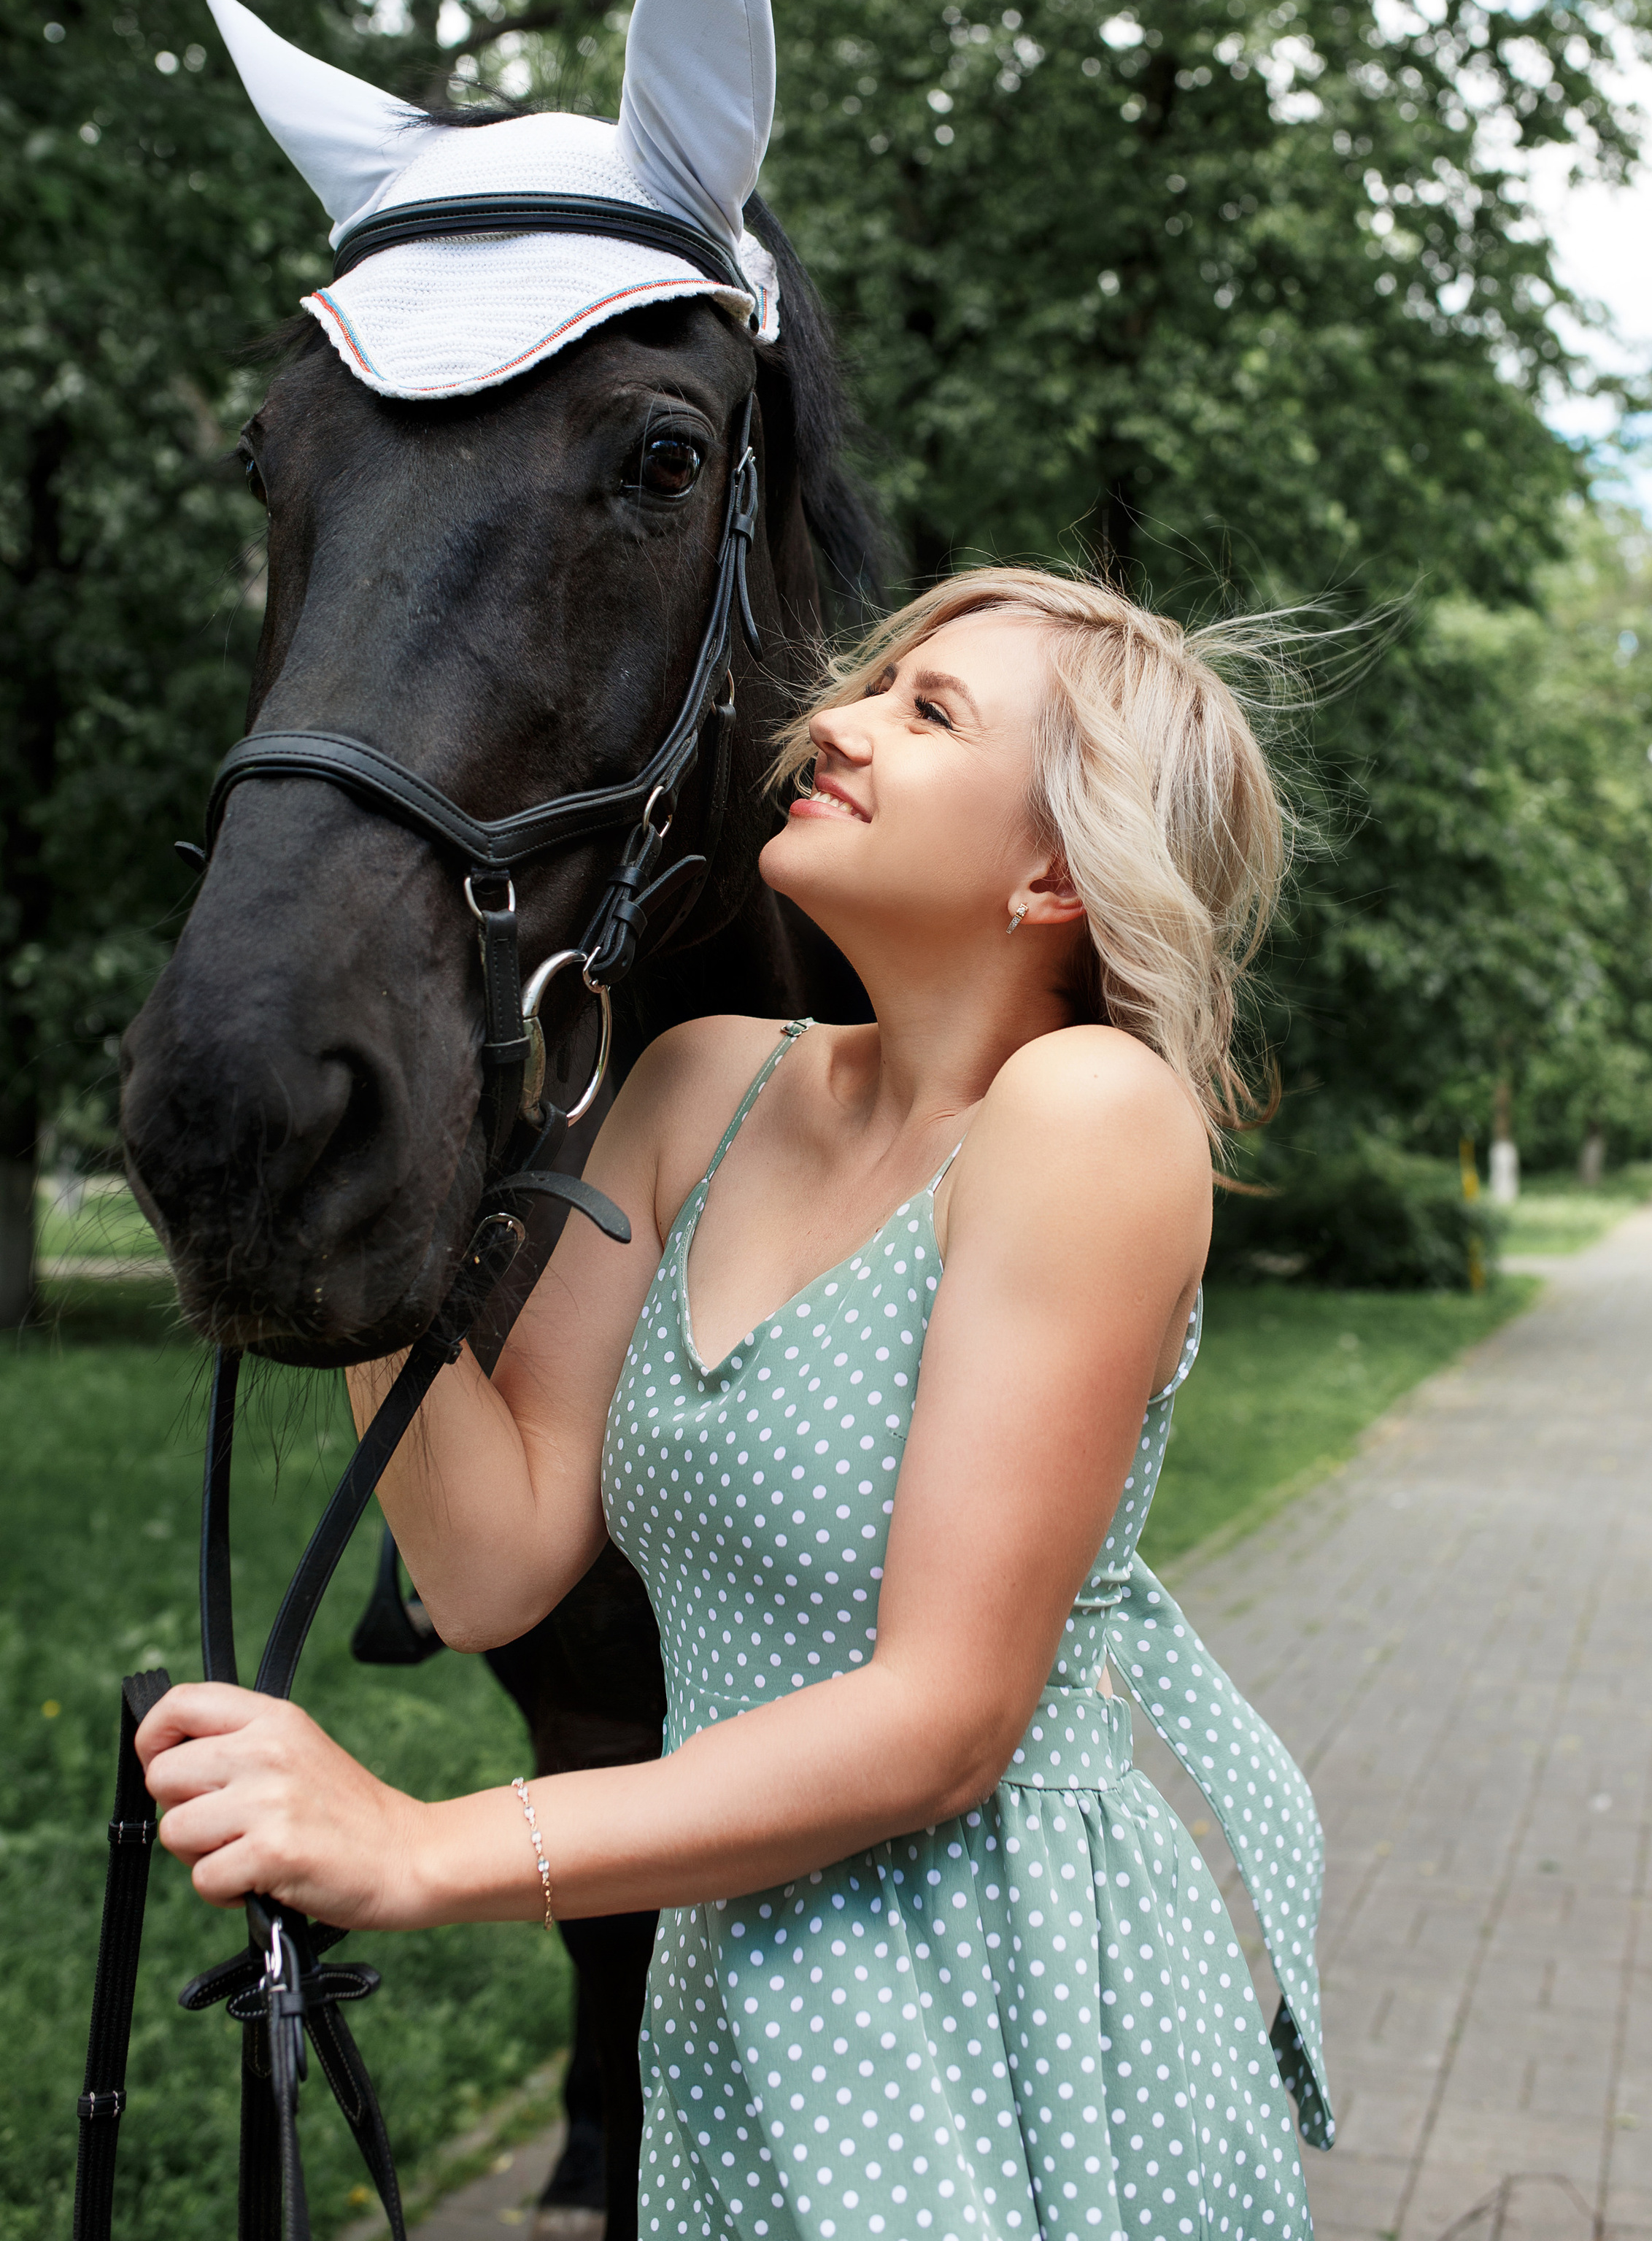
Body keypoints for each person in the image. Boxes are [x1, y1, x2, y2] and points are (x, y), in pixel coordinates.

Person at [138, 565, 1334, 2241]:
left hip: (994, 2008)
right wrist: (357, 1224)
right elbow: (487, 1567)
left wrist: (417, 1846)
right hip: (735, 2002)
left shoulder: (1082, 1114)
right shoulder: (703, 1083)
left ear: (1059, 868)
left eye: (926, 714)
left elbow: (941, 1720)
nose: (830, 723)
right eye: (872, 686)